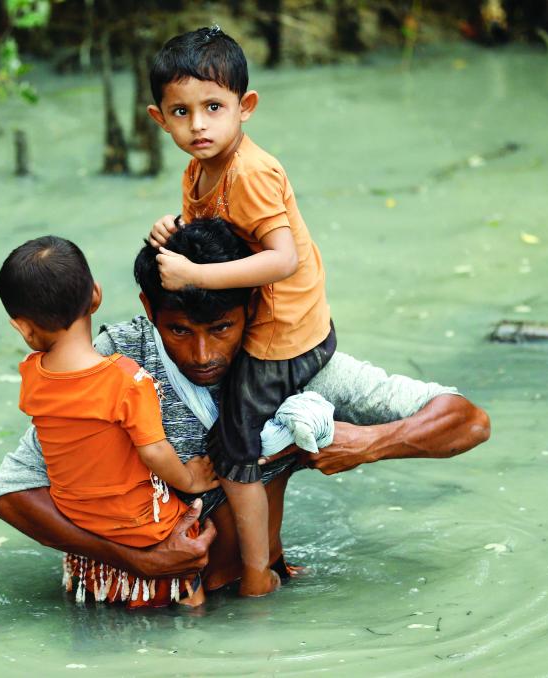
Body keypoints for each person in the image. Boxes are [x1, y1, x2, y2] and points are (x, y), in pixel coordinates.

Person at [0, 220, 491, 594]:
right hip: (132, 601)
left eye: (222, 329)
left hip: (248, 600)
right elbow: (13, 495)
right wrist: (133, 558)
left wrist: (369, 443)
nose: (203, 355)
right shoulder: (110, 364)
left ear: (252, 308)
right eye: (181, 331)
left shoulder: (295, 364)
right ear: (148, 310)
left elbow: (467, 421)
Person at [145, 26, 334, 596]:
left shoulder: (249, 172)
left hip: (282, 334)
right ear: (160, 119)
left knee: (231, 451)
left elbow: (281, 259)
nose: (198, 124)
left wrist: (196, 275)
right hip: (263, 320)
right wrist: (175, 230)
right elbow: (217, 234)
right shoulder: (198, 168)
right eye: (182, 111)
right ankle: (267, 552)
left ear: (244, 108)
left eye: (213, 107)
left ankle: (257, 573)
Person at [0, 236, 219, 607]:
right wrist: (191, 478)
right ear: (96, 296)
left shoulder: (32, 377)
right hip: (149, 532)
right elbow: (154, 451)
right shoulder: (127, 380)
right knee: (191, 603)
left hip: (86, 543)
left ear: (22, 327)